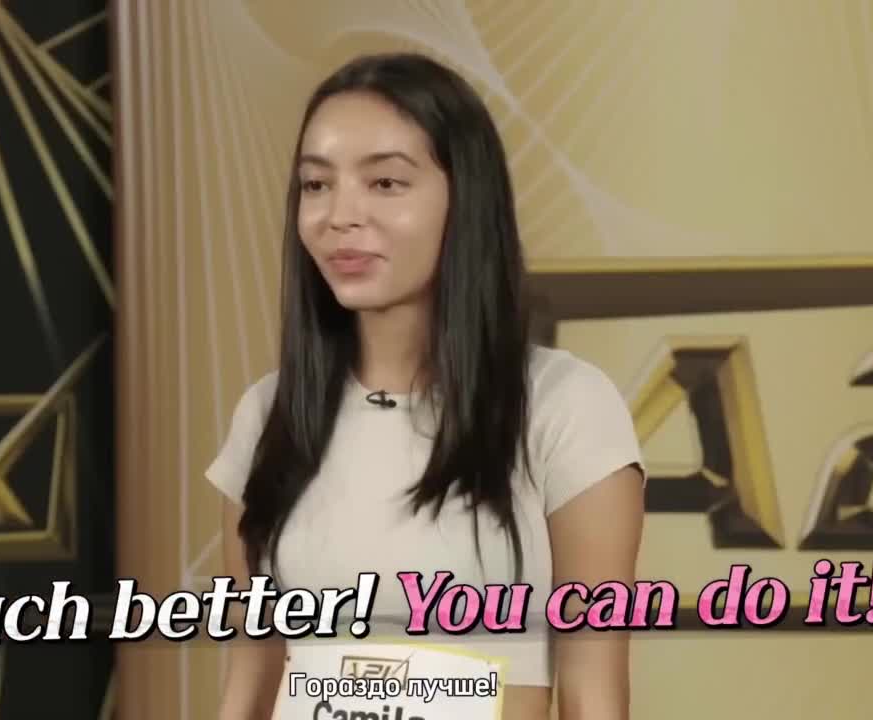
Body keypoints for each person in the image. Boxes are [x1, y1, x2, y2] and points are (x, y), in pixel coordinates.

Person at [206, 51, 647, 720]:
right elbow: (252, 669)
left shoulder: (564, 405)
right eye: (316, 184)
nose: (339, 215)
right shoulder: (267, 413)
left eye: (385, 182)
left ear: (465, 200)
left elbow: (595, 692)